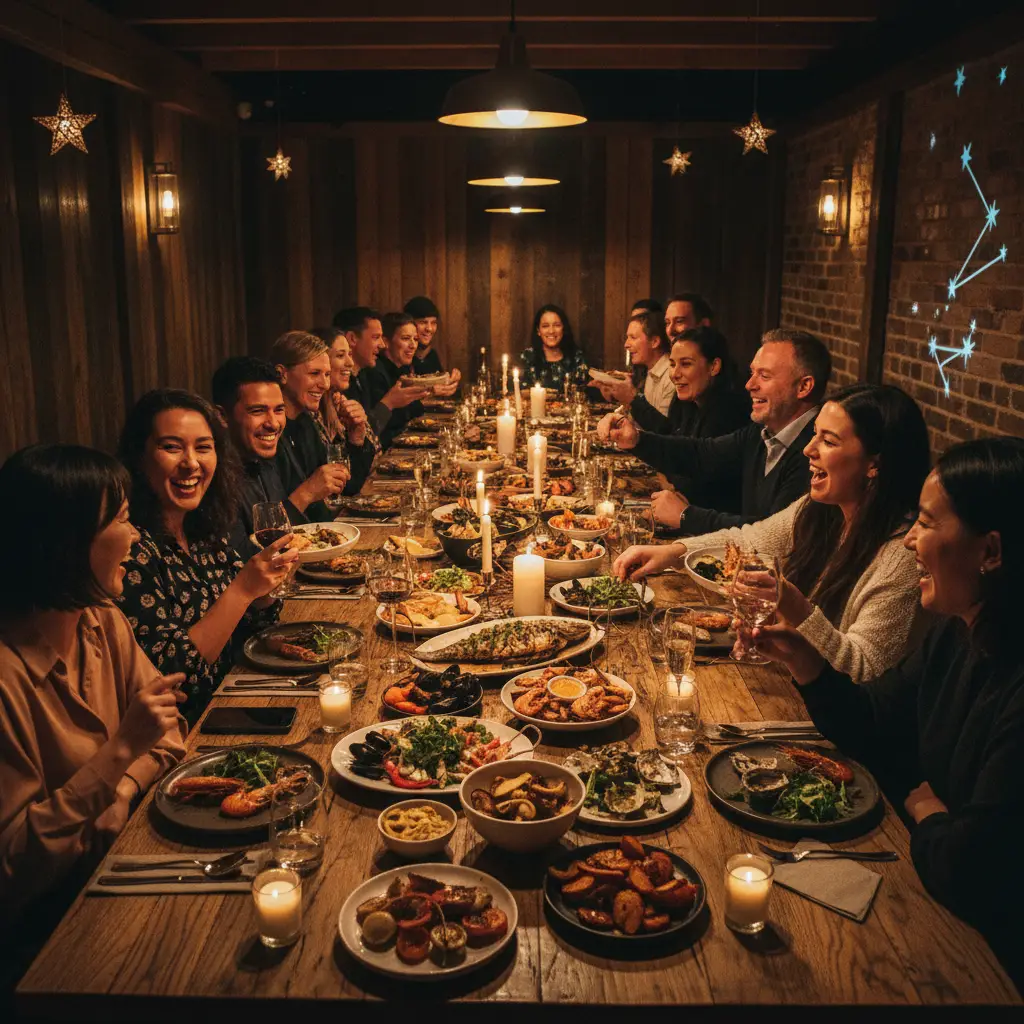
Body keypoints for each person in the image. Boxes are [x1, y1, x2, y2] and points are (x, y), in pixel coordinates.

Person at [746, 437, 1024, 987]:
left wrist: (923, 808)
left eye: (925, 525)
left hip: (987, 968)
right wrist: (807, 663)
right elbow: (874, 723)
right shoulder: (958, 631)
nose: (910, 542)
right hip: (929, 891)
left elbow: (970, 869)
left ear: (990, 552)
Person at [615, 384, 930, 681]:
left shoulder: (902, 556)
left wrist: (793, 604)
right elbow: (752, 538)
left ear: (874, 464)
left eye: (829, 441)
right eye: (814, 435)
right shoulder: (822, 510)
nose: (808, 449)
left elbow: (866, 670)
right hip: (783, 685)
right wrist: (674, 553)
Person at [0, 444, 186, 922]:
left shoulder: (101, 620)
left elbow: (167, 732)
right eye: (122, 519)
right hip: (42, 929)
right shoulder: (8, 675)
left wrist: (121, 789)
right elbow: (10, 870)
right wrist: (120, 751)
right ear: (68, 541)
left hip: (113, 871)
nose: (137, 536)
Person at [117, 390, 296, 724]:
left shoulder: (204, 532)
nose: (191, 463)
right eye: (171, 447)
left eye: (203, 447)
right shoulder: (131, 551)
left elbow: (250, 635)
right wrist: (243, 589)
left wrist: (262, 593)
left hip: (237, 709)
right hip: (186, 736)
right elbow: (177, 679)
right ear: (139, 459)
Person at [607, 328, 831, 534]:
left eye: (764, 376)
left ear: (804, 387)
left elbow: (772, 535)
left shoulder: (816, 452)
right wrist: (635, 439)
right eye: (752, 373)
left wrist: (686, 516)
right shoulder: (762, 432)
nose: (750, 385)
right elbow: (701, 453)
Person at [211, 356, 334, 554]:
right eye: (258, 411)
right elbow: (242, 559)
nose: (273, 423)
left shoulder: (267, 458)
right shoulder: (213, 477)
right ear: (222, 416)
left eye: (279, 410)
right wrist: (305, 495)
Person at [269, 331, 352, 521]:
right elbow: (267, 528)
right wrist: (308, 492)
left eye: (327, 375)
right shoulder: (269, 433)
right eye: (314, 373)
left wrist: (356, 440)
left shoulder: (305, 421)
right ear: (282, 374)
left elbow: (337, 491)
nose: (324, 384)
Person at [334, 306, 427, 439]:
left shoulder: (362, 375)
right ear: (353, 338)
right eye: (376, 337)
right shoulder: (342, 382)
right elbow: (364, 436)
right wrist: (389, 402)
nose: (382, 345)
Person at [309, 325, 377, 492]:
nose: (350, 363)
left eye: (350, 355)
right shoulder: (309, 414)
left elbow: (356, 478)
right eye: (340, 355)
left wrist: (357, 438)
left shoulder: (339, 402)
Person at [368, 311, 433, 450]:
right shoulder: (375, 372)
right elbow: (385, 427)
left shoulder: (403, 369)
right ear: (386, 342)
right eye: (405, 338)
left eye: (415, 339)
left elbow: (415, 413)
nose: (413, 345)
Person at [597, 311, 675, 421]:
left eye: (633, 337)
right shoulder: (651, 370)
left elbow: (664, 429)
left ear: (654, 342)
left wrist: (630, 396)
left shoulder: (671, 374)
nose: (626, 344)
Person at [517, 304, 589, 391]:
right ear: (538, 331)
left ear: (563, 328)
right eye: (545, 326)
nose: (551, 331)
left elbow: (583, 395)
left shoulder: (577, 357)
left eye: (557, 325)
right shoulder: (527, 357)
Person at [403, 296, 463, 396]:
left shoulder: (431, 355)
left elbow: (440, 391)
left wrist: (450, 382)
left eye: (433, 323)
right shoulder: (403, 355)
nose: (429, 329)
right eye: (423, 322)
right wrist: (431, 393)